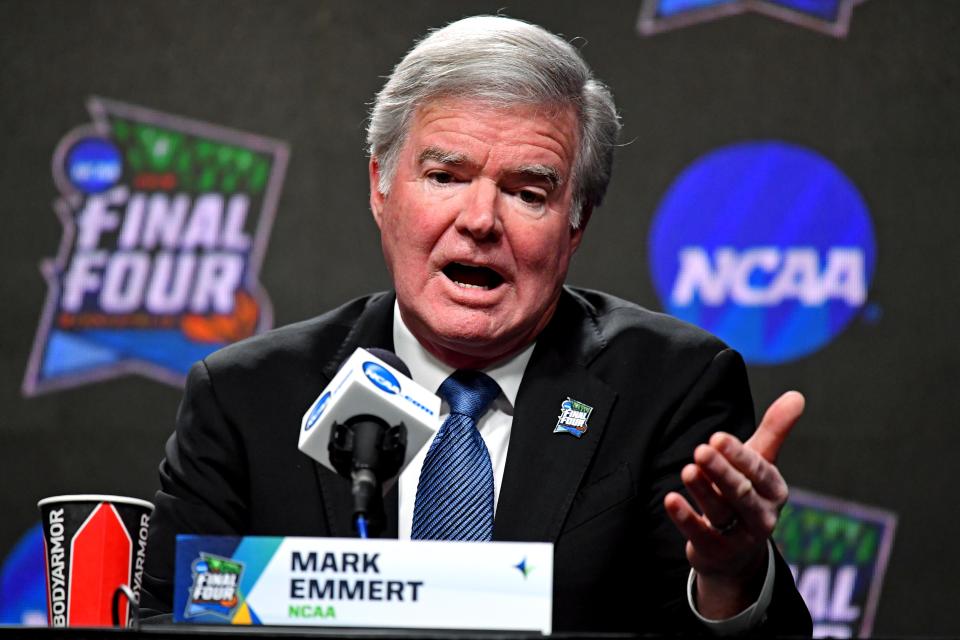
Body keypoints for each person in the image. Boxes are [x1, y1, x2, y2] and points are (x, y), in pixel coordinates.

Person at [142, 15, 811, 634]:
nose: (481, 219)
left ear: (576, 222)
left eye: (528, 192)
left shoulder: (671, 387)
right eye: (445, 175)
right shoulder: (246, 399)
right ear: (381, 187)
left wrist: (728, 579)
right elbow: (170, 621)